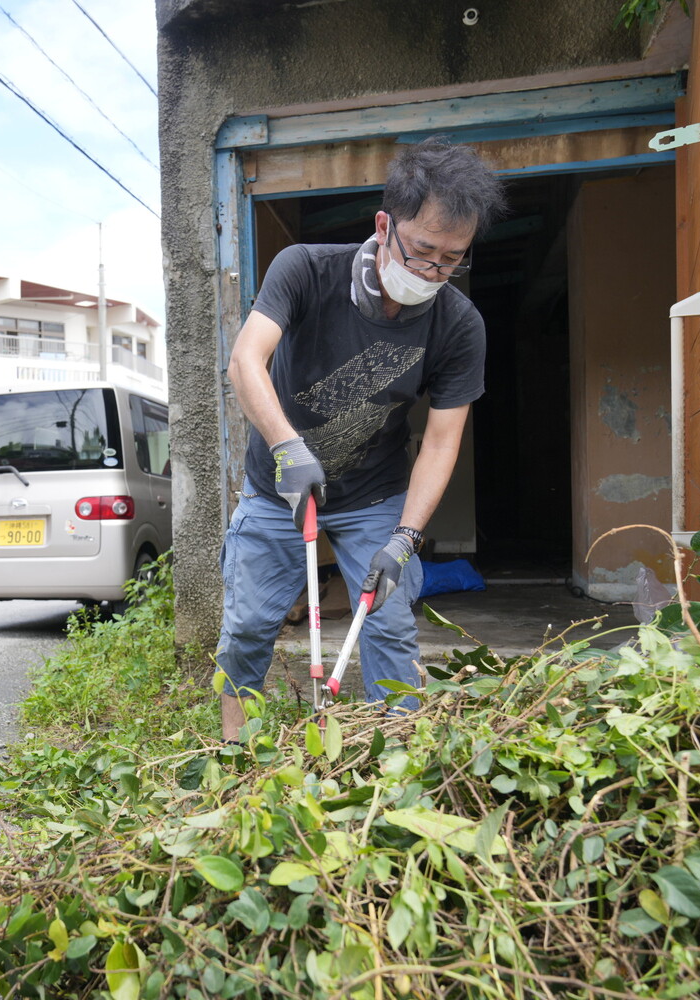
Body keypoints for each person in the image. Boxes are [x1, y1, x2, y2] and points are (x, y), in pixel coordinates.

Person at [217, 139, 507, 740]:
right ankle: (234, 758)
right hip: (278, 489)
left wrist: (406, 536)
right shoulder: (305, 270)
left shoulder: (459, 325)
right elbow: (246, 361)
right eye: (421, 251)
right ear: (384, 226)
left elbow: (441, 442)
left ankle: (394, 765)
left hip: (375, 496)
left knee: (389, 628)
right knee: (247, 630)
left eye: (450, 260)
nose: (431, 272)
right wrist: (288, 449)